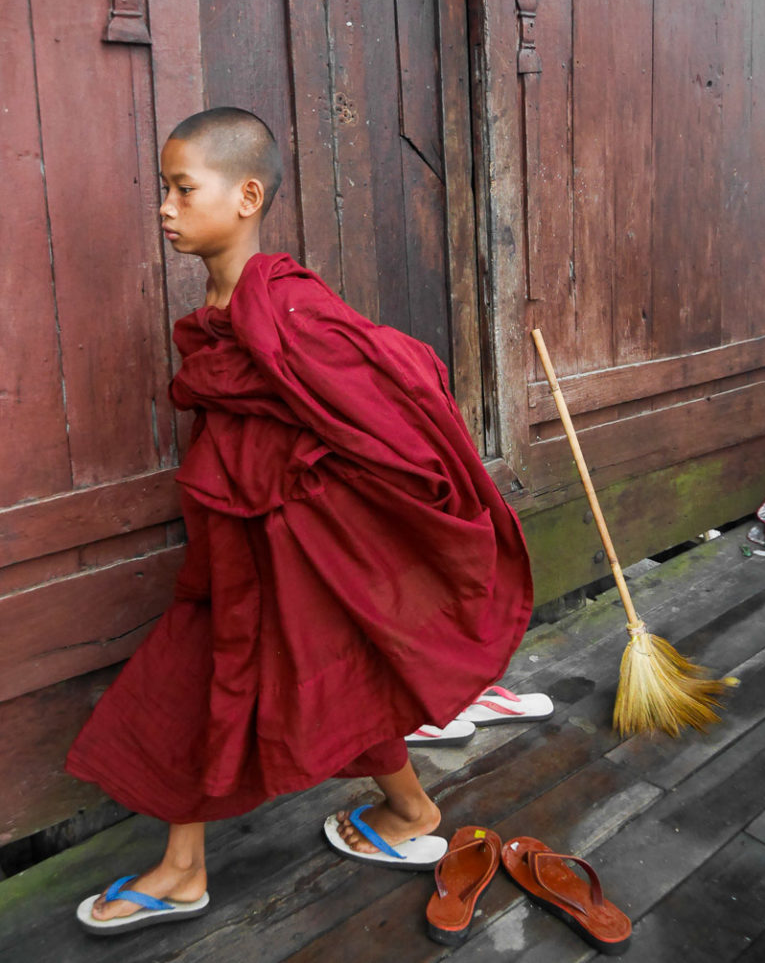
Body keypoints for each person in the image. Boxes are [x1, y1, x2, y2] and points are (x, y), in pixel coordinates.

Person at [67, 107, 533, 933]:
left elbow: (394, 397)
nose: (165, 208)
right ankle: (400, 817)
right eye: (164, 190)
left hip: (294, 540)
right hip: (240, 538)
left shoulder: (287, 307)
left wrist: (402, 509)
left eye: (182, 188)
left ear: (247, 195)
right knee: (290, 670)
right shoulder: (226, 306)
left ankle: (192, 867)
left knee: (266, 669)